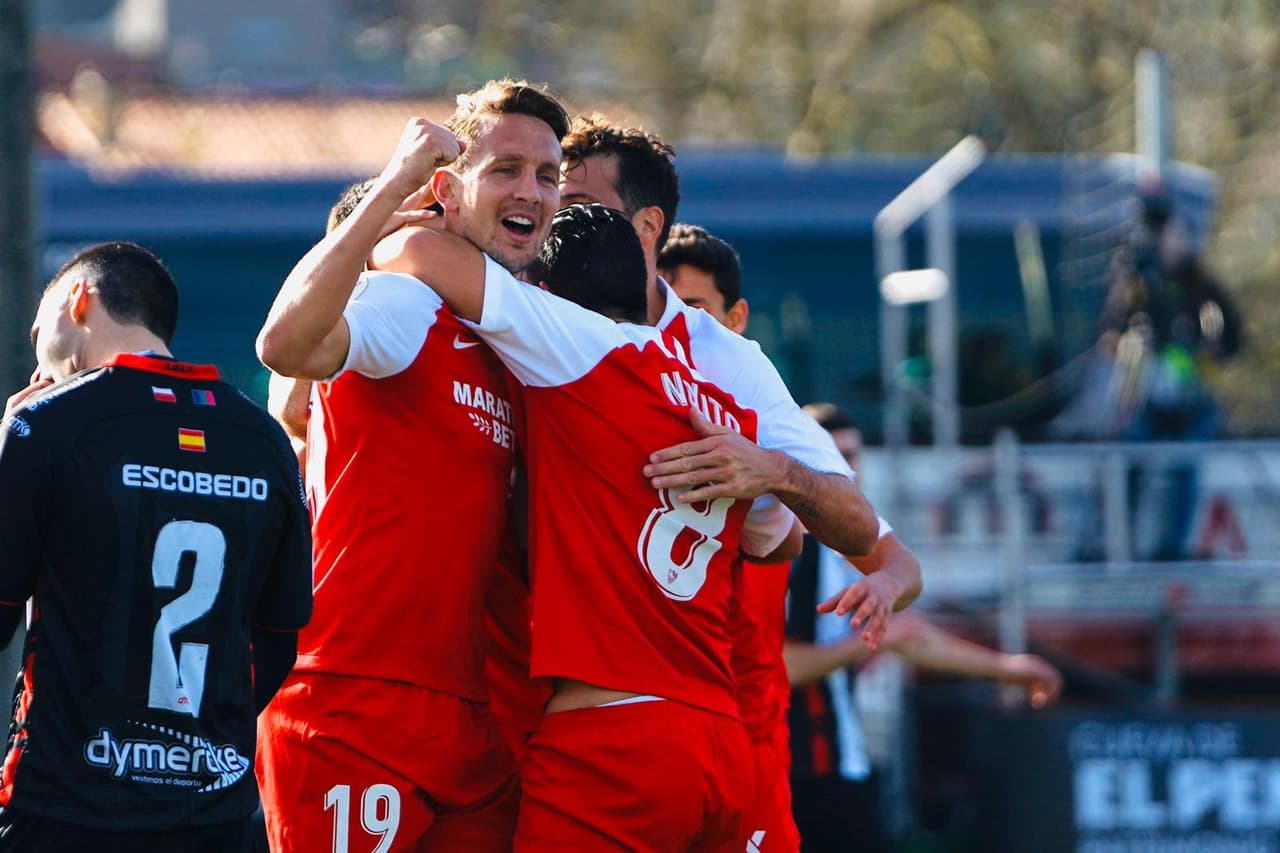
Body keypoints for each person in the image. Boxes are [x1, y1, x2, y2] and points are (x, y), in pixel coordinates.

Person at [338, 109, 794, 846]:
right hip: (718, 735)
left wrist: (416, 202)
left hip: (613, 735)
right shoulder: (719, 402)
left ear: (547, 290)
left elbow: (416, 252)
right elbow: (779, 537)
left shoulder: (577, 352)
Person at [254, 79, 569, 852]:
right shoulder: (406, 305)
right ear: (446, 190)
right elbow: (286, 349)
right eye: (504, 169)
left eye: (546, 174)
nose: (530, 189)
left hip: (466, 723)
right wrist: (390, 191)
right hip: (353, 703)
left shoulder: (517, 339)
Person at [0, 241, 312, 851]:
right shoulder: (263, 440)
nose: (40, 360)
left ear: (78, 300)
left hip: (64, 805)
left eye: (41, 330)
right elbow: (279, 640)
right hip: (209, 811)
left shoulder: (45, 425)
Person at [559, 115, 917, 638]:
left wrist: (772, 475)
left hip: (695, 695)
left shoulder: (728, 368)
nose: (560, 223)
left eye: (581, 208)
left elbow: (813, 539)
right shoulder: (532, 319)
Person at [658, 223, 921, 853]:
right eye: (660, 308)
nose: (677, 329)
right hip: (647, 739)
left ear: (738, 317)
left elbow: (896, 561)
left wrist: (883, 585)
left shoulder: (773, 433)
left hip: (754, 750)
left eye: (695, 311)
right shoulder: (619, 394)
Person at [786, 402, 1062, 852]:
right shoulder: (786, 546)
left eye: (852, 457)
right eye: (830, 456)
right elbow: (770, 668)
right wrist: (870, 641)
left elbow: (909, 628)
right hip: (790, 770)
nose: (844, 469)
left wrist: (1008, 668)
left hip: (838, 769)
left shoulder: (848, 547)